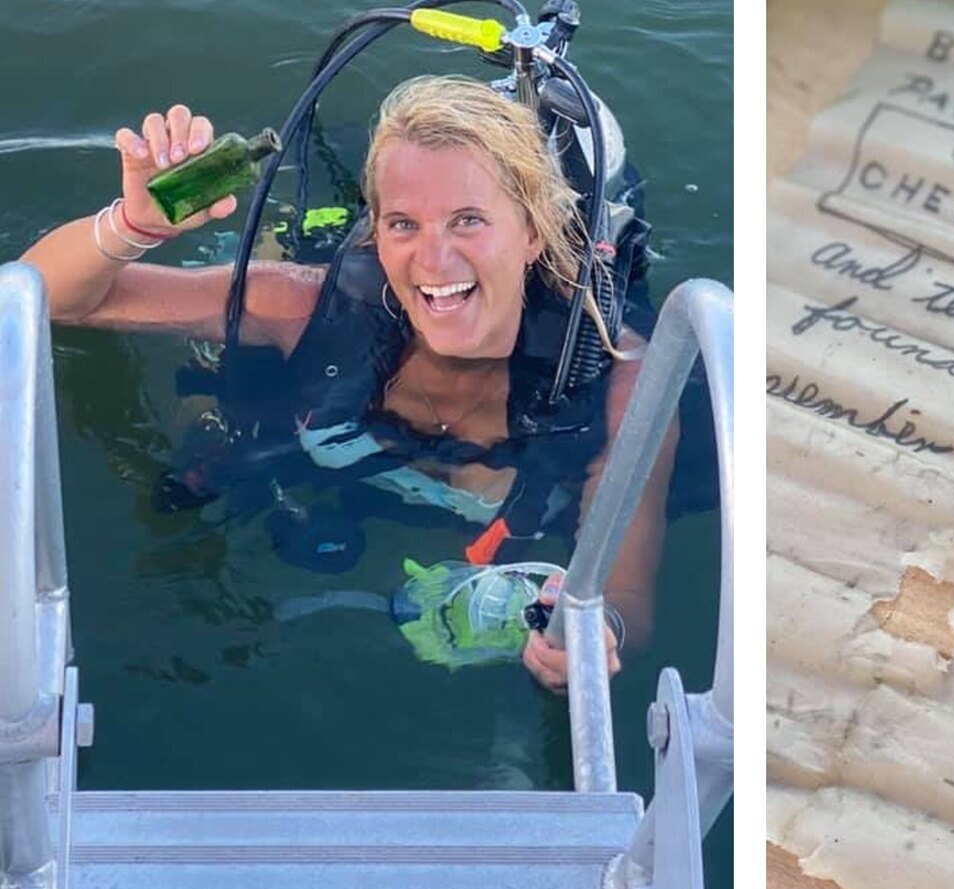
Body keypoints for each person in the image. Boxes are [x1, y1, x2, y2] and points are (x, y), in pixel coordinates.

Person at [20, 74, 674, 692]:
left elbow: (626, 598)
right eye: (404, 225)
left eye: (468, 220)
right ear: (376, 232)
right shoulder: (302, 306)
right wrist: (134, 227)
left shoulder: (617, 380)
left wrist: (587, 638)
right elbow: (44, 298)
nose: (434, 259)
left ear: (533, 233)